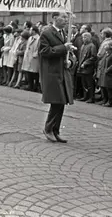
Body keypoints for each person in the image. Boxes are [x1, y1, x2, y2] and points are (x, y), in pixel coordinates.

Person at [39, 11, 77, 143]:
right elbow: (44, 52)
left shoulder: (64, 33)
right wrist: (63, 48)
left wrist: (70, 61)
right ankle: (48, 128)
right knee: (57, 101)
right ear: (55, 18)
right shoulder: (46, 33)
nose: (66, 20)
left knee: (61, 102)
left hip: (62, 72)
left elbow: (68, 53)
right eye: (64, 17)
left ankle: (55, 130)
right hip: (52, 72)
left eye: (67, 17)